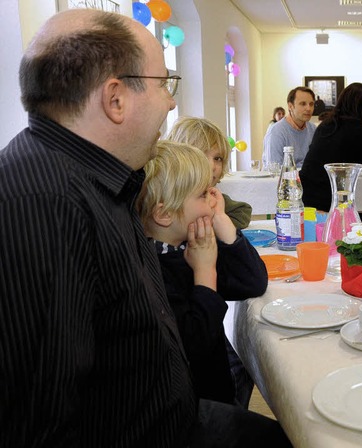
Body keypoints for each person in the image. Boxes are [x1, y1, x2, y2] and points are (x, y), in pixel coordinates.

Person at [0, 9, 195, 446]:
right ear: (116, 99)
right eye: (164, 84)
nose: (170, 102)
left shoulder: (100, 179)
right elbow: (40, 423)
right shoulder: (45, 204)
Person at [136, 141, 293, 443]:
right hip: (190, 412)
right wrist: (205, 273)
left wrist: (224, 225)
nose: (214, 199)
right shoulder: (155, 269)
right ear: (165, 214)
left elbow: (253, 282)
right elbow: (194, 344)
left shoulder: (193, 243)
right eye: (203, 194)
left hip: (216, 395)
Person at [300, 82, 362, 212]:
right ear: (360, 108)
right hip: (329, 205)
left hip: (307, 199)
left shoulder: (327, 124)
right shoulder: (359, 131)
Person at [167, 116, 252, 229]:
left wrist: (216, 222)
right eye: (201, 156)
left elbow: (242, 212)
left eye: (218, 159)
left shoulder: (212, 198)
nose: (211, 166)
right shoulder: (162, 196)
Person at [262, 86, 316, 168]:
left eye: (311, 104)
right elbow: (274, 169)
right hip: (283, 180)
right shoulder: (276, 132)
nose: (308, 108)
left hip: (308, 179)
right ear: (290, 106)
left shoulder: (313, 129)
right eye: (303, 104)